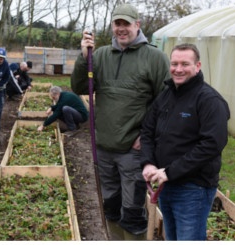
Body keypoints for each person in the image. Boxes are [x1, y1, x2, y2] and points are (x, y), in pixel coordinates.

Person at [70, 3, 170, 240]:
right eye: (118, 24)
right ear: (112, 25)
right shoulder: (101, 54)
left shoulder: (154, 58)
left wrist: (146, 137)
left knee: (132, 208)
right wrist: (85, 58)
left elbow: (165, 105)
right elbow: (80, 87)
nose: (122, 29)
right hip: (103, 146)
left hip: (132, 150)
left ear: (138, 25)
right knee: (110, 204)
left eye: (127, 24)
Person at [141, 43, 230, 241]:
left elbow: (211, 145)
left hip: (193, 189)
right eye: (174, 63)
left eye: (185, 64)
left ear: (197, 66)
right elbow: (147, 130)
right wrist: (148, 162)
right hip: (165, 183)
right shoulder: (166, 95)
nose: (178, 69)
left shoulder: (209, 100)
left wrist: (170, 171)